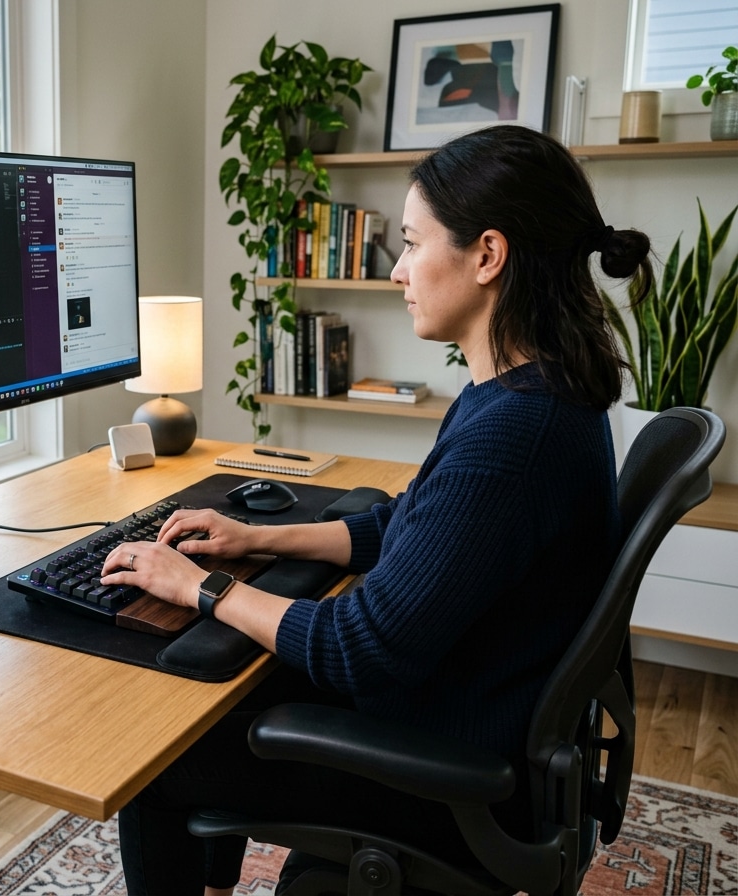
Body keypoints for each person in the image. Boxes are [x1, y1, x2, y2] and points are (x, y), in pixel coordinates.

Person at [99, 124, 653, 896]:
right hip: (470, 710)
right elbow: (410, 523)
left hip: (449, 777)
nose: (397, 271)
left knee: (152, 755)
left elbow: (360, 646)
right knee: (220, 686)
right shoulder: (529, 390)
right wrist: (254, 535)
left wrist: (200, 587)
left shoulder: (517, 435)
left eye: (413, 243)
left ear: (488, 256)